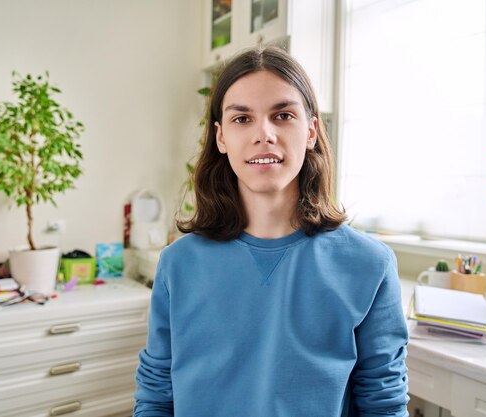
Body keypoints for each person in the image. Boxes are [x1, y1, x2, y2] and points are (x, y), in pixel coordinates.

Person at [133, 46, 409, 417]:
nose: (264, 133)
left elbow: (384, 403)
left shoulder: (369, 265)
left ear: (311, 131)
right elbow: (155, 398)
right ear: (221, 138)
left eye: (282, 115)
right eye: (242, 119)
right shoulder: (177, 264)